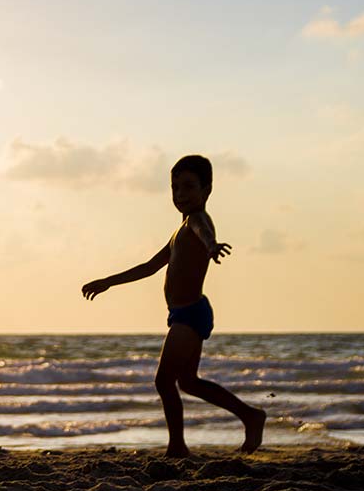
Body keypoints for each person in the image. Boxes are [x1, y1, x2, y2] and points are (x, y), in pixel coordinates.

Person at [81, 155, 264, 458]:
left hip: (190, 314)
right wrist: (108, 282)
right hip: (183, 313)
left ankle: (177, 446)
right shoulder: (178, 231)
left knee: (164, 381)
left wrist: (212, 246)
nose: (180, 194)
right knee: (188, 382)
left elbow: (205, 234)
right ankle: (250, 415)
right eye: (175, 187)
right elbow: (150, 267)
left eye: (189, 187)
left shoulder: (197, 221)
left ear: (207, 190)